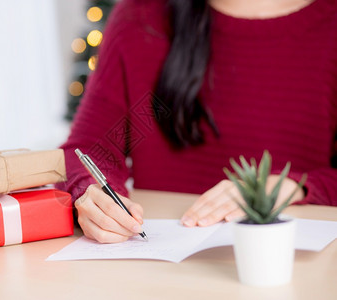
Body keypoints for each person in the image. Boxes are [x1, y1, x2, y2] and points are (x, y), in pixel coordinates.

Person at [57, 0, 337, 243]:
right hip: (155, 271)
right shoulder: (141, 20)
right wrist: (91, 194)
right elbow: (89, 150)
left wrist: (293, 186)